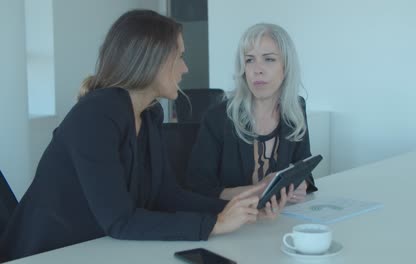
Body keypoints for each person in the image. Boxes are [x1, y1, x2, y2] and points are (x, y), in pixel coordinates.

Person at [0, 10, 283, 262]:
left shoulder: (148, 115)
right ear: (153, 60)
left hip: (98, 248)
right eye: (180, 56)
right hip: (49, 252)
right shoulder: (96, 115)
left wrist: (243, 210)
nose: (185, 68)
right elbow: (121, 221)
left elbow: (166, 195)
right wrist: (216, 223)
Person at [186, 23, 318, 203]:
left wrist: (301, 184)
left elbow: (303, 165)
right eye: (249, 60)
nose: (257, 69)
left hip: (282, 220)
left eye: (269, 59)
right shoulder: (218, 118)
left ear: (286, 67)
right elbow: (198, 189)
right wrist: (260, 190)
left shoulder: (295, 108)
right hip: (232, 225)